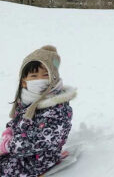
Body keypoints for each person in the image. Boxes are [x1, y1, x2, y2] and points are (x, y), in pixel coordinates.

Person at [0, 45, 76, 177]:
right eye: (34, 76)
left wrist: (8, 146)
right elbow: (18, 121)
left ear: (54, 78)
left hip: (38, 161)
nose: (40, 80)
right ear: (24, 81)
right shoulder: (29, 100)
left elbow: (36, 141)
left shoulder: (57, 109)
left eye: (45, 75)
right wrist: (10, 131)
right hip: (21, 155)